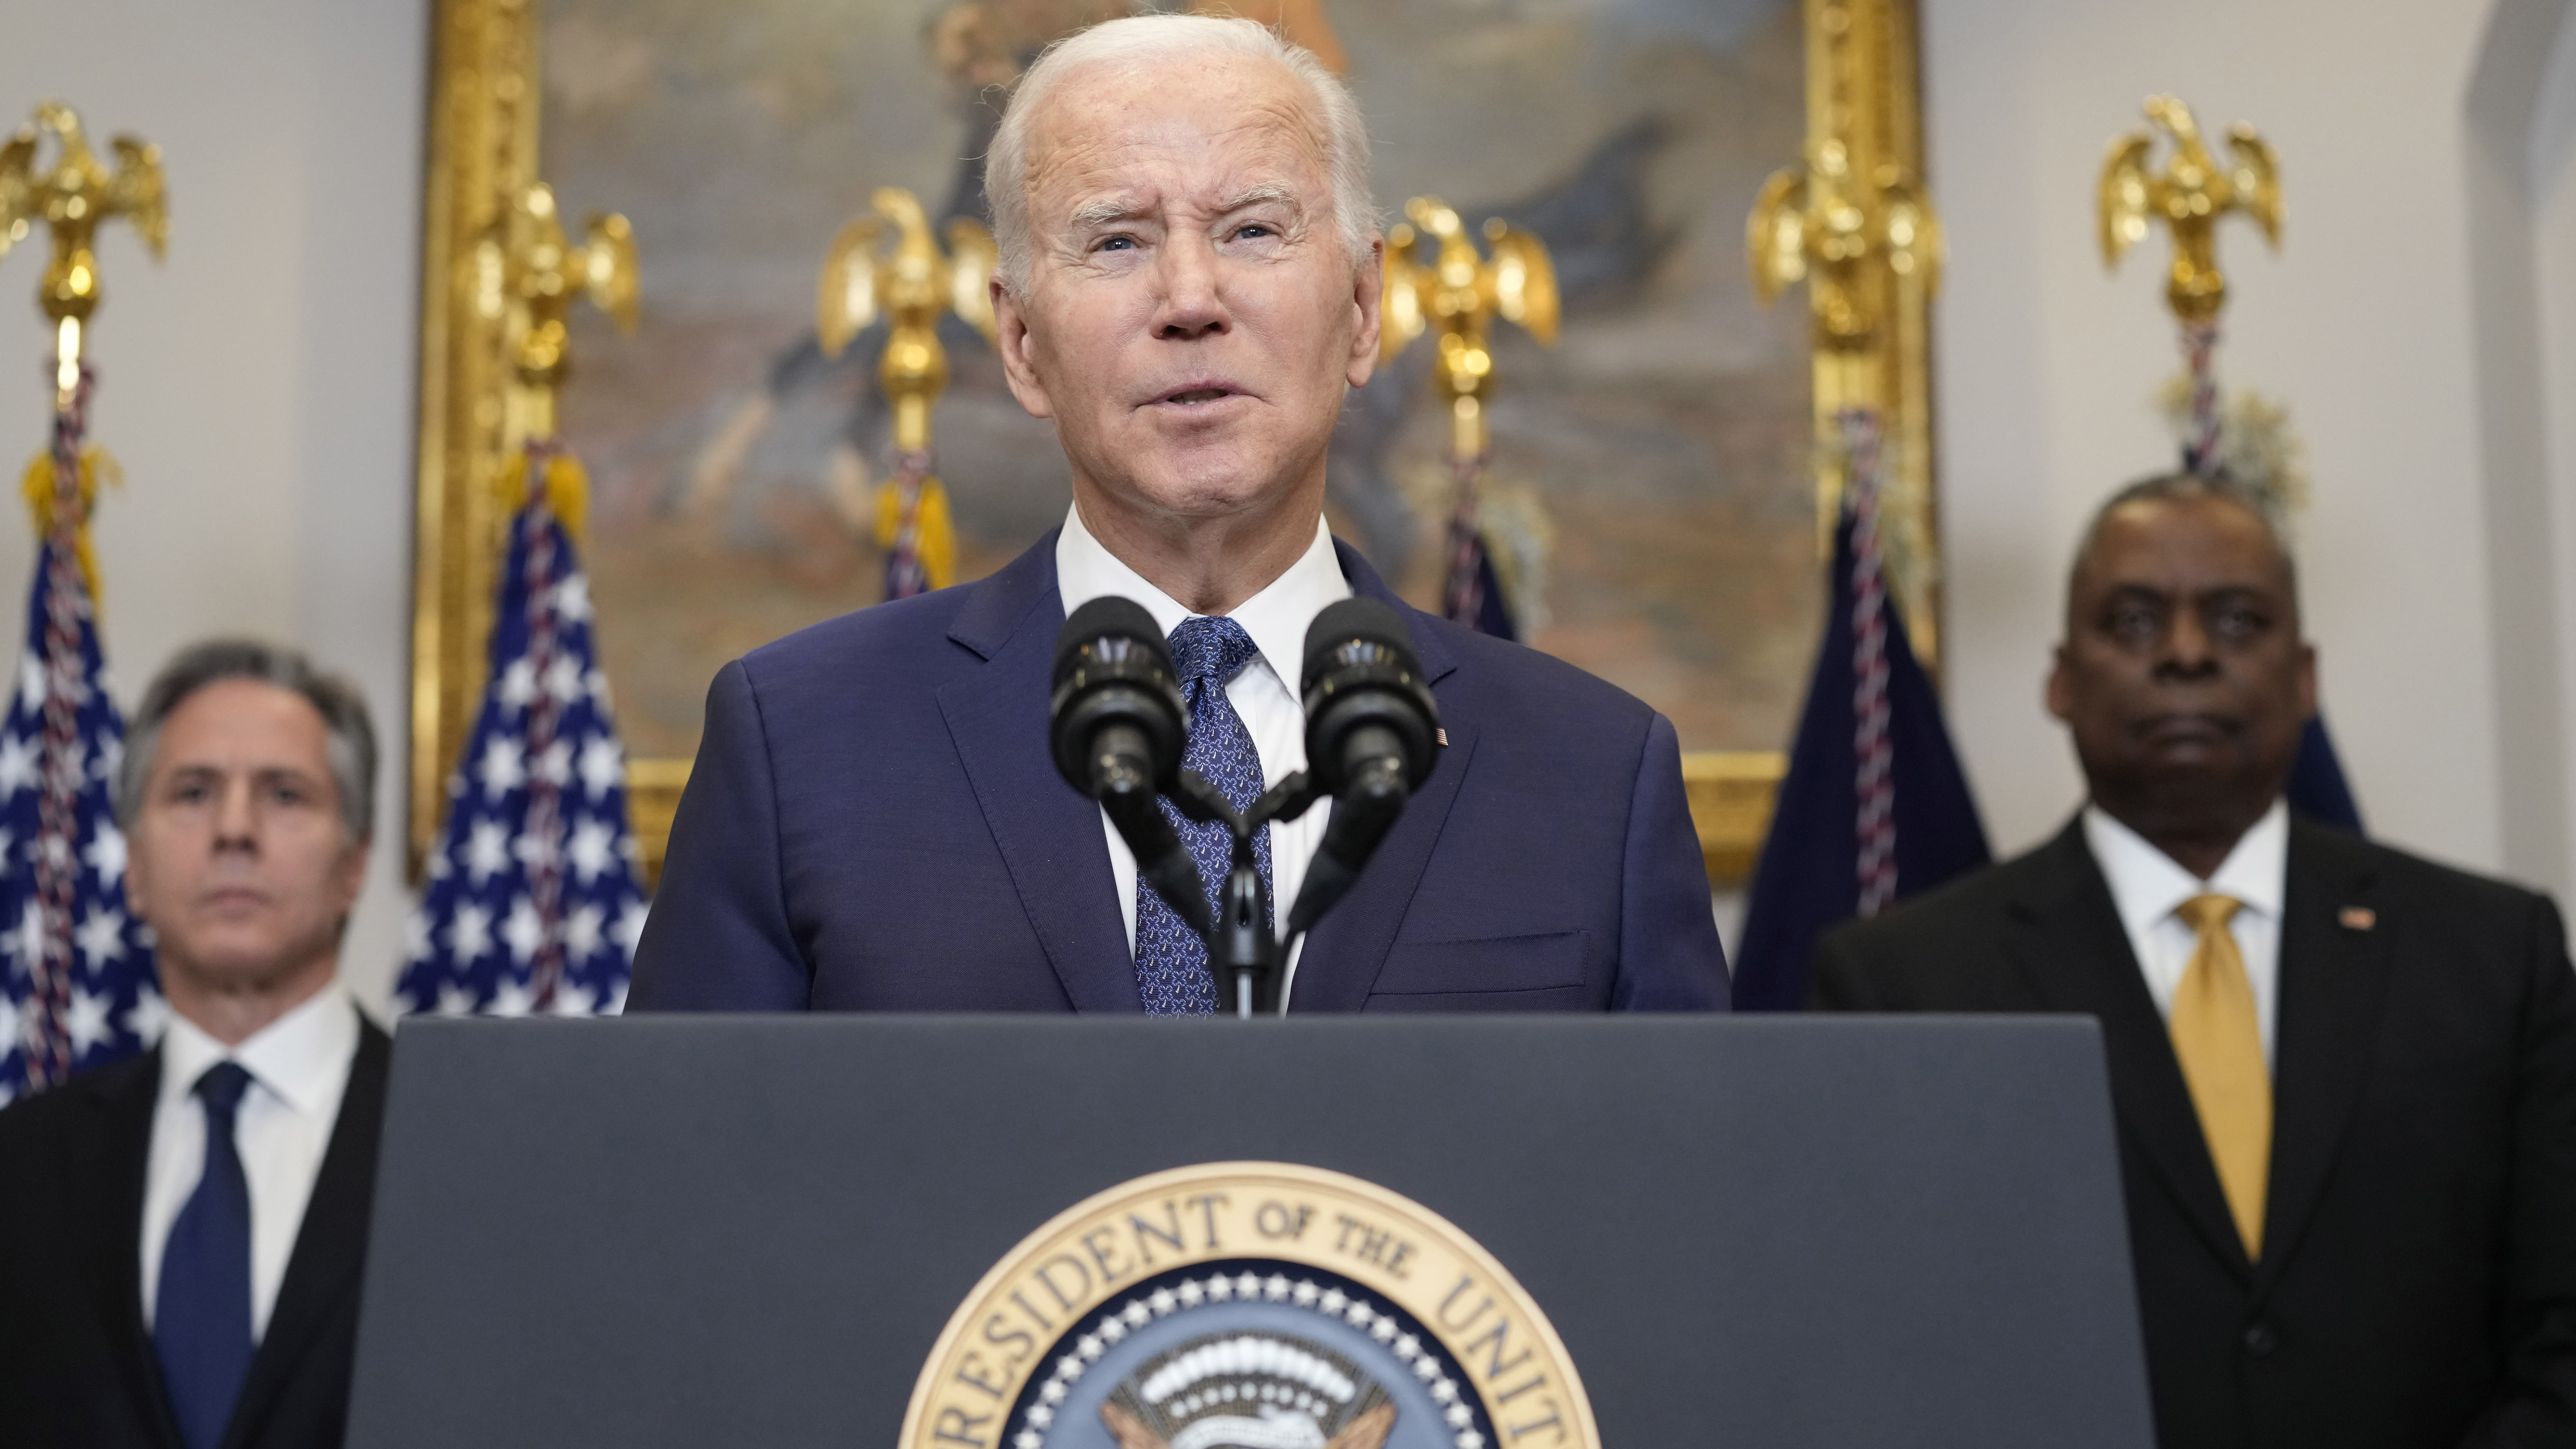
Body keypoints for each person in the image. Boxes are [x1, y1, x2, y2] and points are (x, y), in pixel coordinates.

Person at [629, 13, 1725, 1014]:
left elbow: (1678, 1211)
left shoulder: (1595, 775)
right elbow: (690, 1202)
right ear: (1019, 343)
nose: (1191, 299)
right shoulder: (801, 746)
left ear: (1360, 311)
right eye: (1116, 241)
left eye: (1253, 230)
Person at [1814, 474, 2576, 1448]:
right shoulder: (1902, 985)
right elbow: (1882, 1352)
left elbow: (2563, 1330)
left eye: (2237, 619)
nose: (2184, 653)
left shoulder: (2492, 955)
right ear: (2059, 680)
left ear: (2305, 677)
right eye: (2132, 621)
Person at [0, 641, 388, 1449]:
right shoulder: (22, 1162)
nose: (235, 829)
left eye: (285, 793)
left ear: (355, 862)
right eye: (194, 791)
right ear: (134, 864)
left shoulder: (460, 1148)